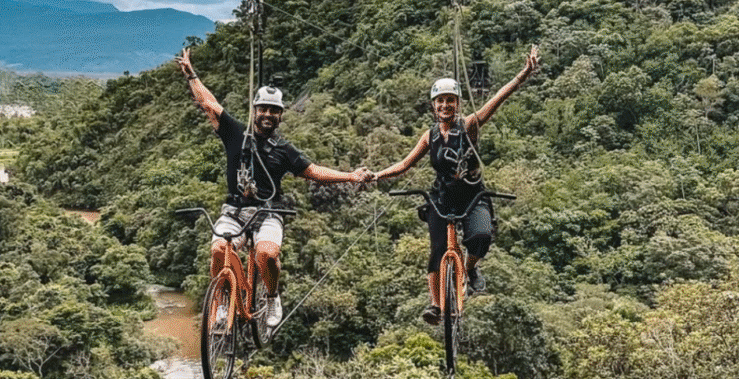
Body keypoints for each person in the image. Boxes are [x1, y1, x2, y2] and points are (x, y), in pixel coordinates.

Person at [177, 47, 371, 331]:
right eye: (263, 109)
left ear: (280, 116)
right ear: (255, 111)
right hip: (234, 210)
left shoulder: (284, 150)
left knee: (266, 254)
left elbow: (314, 172)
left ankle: (271, 296)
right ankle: (223, 301)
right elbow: (209, 104)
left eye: (274, 111)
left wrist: (351, 177)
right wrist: (191, 75)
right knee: (220, 250)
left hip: (269, 212)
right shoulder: (236, 134)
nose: (267, 114)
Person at [373, 45, 539, 324]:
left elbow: (497, 100)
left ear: (458, 103)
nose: (445, 106)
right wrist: (376, 175)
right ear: (433, 106)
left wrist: (524, 74)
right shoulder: (430, 136)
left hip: (473, 196)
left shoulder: (469, 125)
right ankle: (436, 305)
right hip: (442, 198)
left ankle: (471, 269)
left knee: (481, 237)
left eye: (450, 101)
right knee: (438, 249)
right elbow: (404, 165)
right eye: (440, 101)